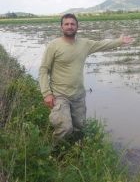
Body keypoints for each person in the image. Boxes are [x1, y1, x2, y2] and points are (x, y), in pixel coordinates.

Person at [38, 13, 132, 144]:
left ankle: (76, 152)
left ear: (77, 27)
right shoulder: (53, 46)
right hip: (60, 95)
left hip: (78, 95)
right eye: (66, 24)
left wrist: (120, 41)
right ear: (61, 27)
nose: (70, 26)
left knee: (80, 128)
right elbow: (43, 70)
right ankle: (55, 154)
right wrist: (46, 93)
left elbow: (102, 45)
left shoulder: (84, 44)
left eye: (72, 24)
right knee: (65, 127)